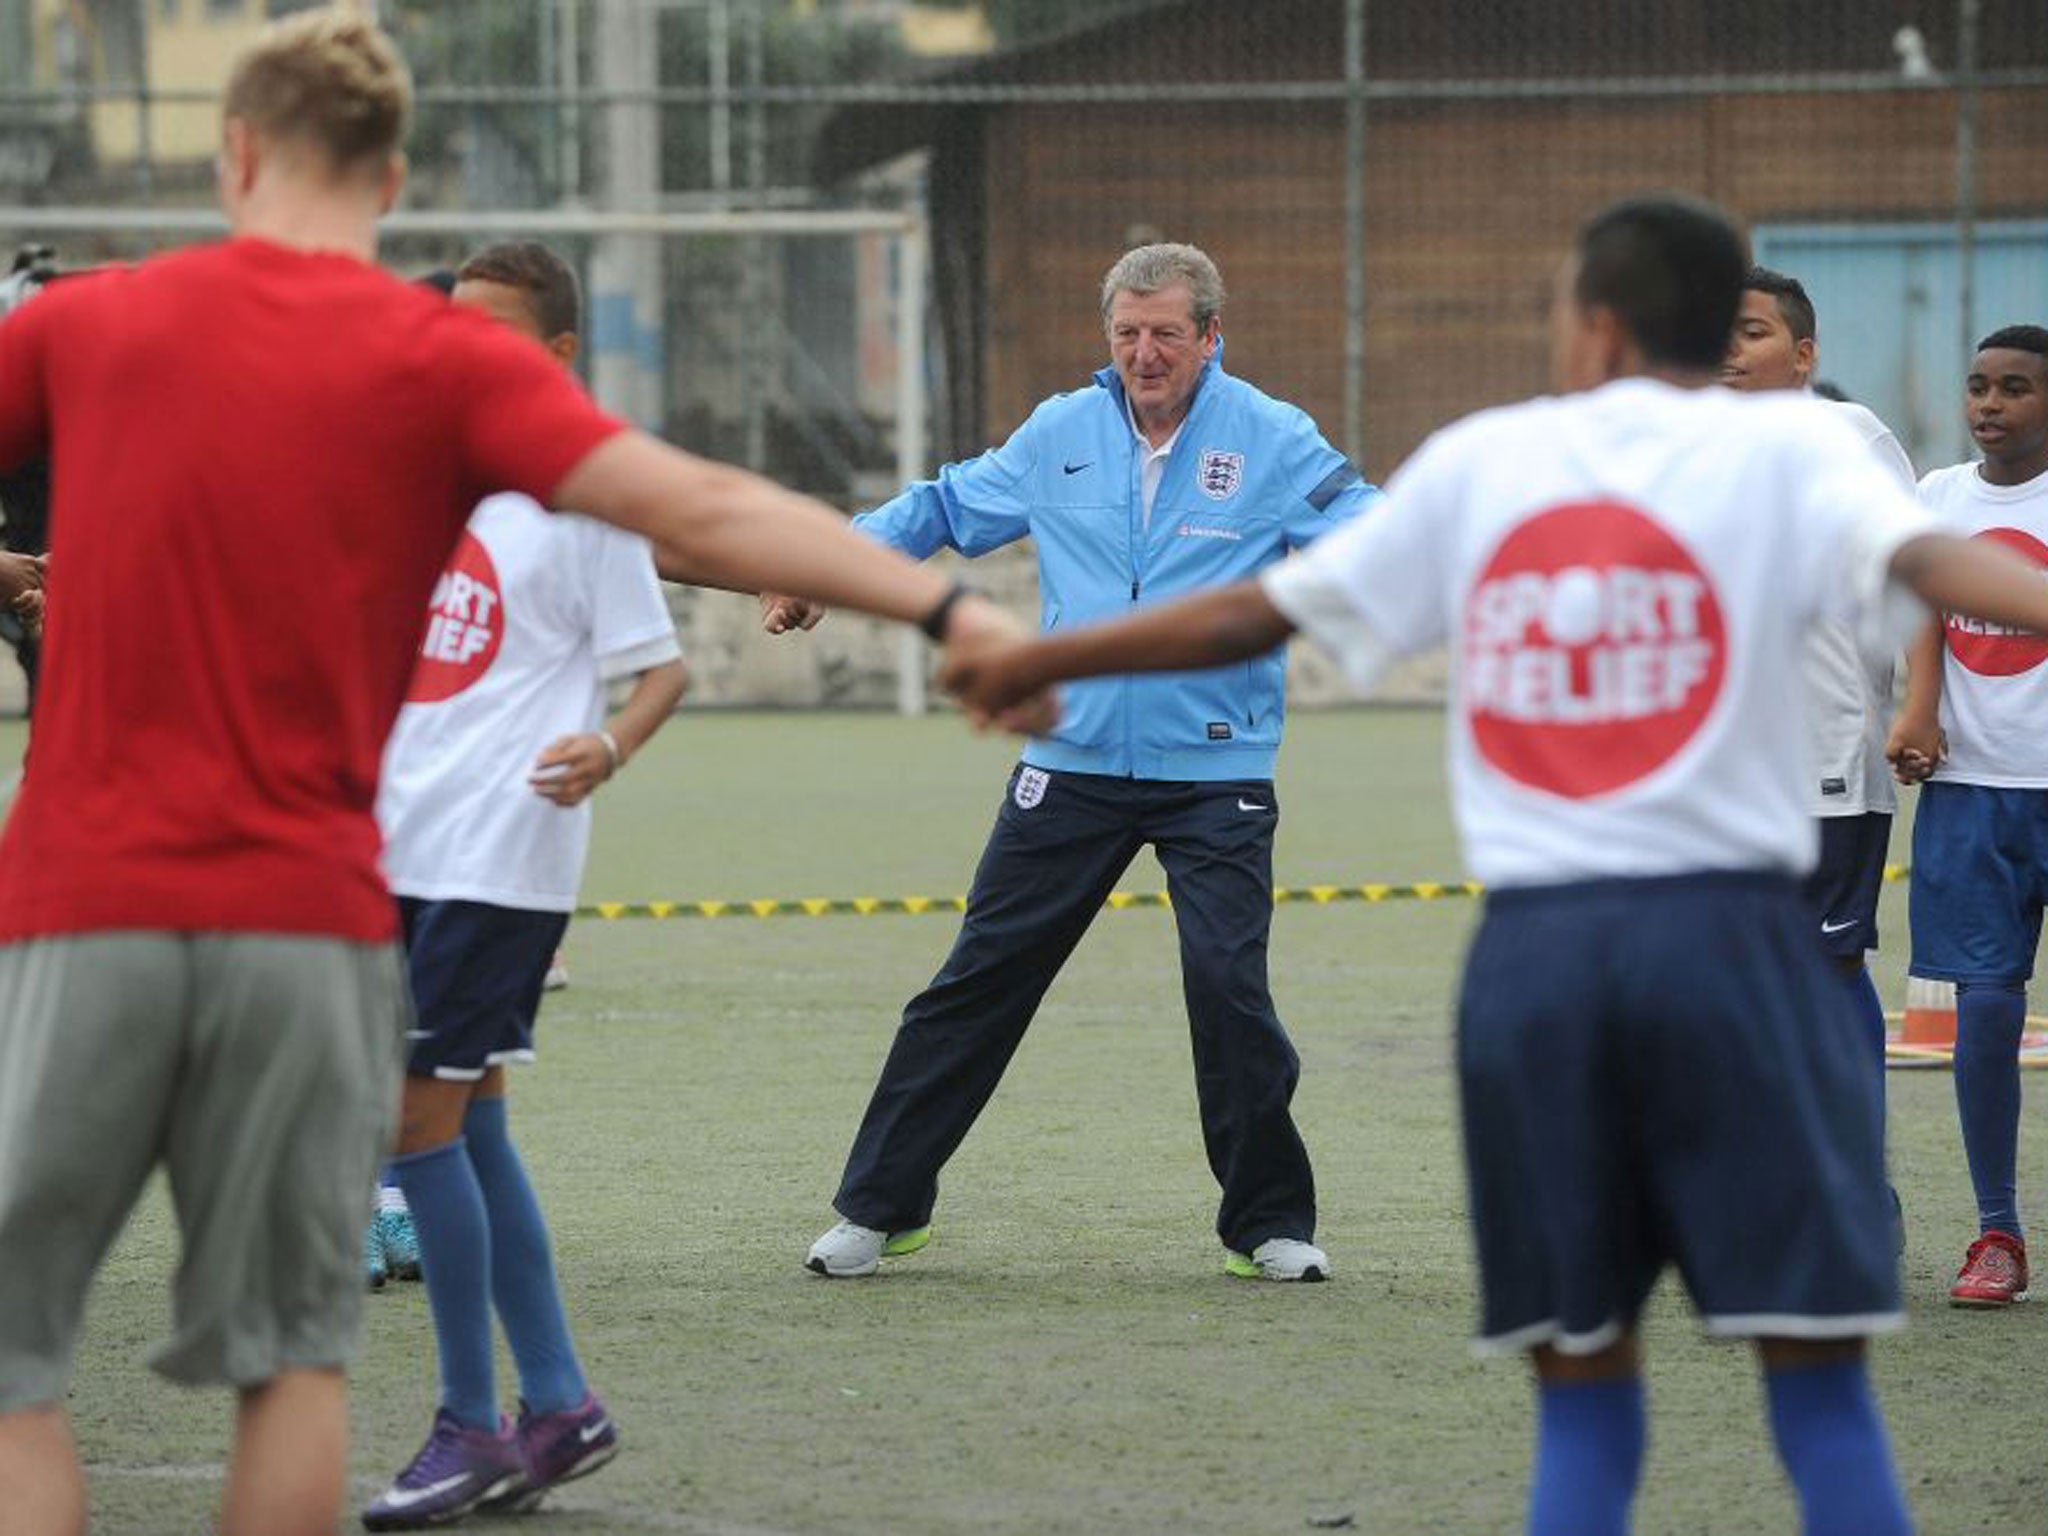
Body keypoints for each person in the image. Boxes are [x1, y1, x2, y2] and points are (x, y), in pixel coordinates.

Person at [0, 10, 1041, 1536]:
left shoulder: (88, 326)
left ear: (232, 154)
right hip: (309, 922)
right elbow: (702, 504)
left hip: (84, 901)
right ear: (394, 178)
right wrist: (951, 606)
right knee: (292, 1376)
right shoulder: (437, 367)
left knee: (24, 1378)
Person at [944, 194, 2048, 1536]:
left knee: (1582, 1394)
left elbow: (1259, 606)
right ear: (1718, 328)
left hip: (1540, 969)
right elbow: (1947, 569)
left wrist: (1045, 654)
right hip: (1734, 957)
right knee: (1817, 1394)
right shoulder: (1799, 457)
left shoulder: (1491, 461)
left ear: (1590, 324)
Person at [771, 242, 1377, 1282]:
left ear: (1209, 339)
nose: (1144, 354)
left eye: (1166, 336)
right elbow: (942, 508)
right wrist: (827, 563)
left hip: (1213, 769)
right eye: (1126, 334)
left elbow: (1368, 524)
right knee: (975, 983)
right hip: (1071, 761)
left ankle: (1269, 1225)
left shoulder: (1272, 438)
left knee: (1229, 991)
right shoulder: (1059, 431)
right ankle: (879, 1207)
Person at [359, 241, 688, 1529]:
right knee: (473, 1123)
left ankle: (468, 1426)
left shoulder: (583, 488)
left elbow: (658, 670)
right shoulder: (432, 483)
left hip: (498, 857)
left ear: (553, 356)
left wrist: (607, 747)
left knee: (411, 1127)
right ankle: (557, 1404)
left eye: (489, 331)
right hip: (403, 844)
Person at [1720, 266, 1916, 1089]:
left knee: (1827, 971)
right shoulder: (1687, 451)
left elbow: (1918, 572)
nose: (1730, 350)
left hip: (1823, 757)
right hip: (1719, 773)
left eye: (1753, 332)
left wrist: (1922, 706)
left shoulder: (1847, 433)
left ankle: (1863, 1194)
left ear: (1803, 355)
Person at [1885, 324, 2048, 1309]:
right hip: (1969, 794)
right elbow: (1916, 612)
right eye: (1978, 386)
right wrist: (1917, 708)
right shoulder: (1936, 499)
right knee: (1983, 1008)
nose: (1989, 404)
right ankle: (1996, 1231)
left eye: (2015, 389)